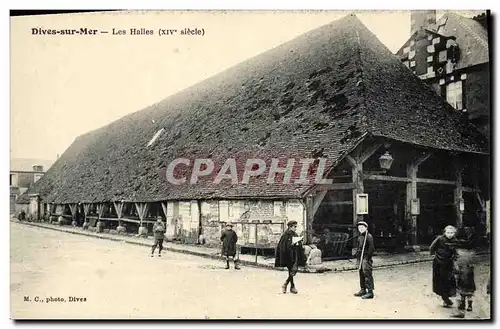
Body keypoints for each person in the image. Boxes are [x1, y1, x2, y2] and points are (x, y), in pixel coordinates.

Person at [429, 225, 458, 307]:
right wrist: (434, 255)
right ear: (445, 232)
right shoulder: (440, 239)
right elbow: (432, 247)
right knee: (440, 281)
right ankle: (445, 299)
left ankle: (446, 298)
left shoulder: (455, 240)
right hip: (439, 263)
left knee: (449, 281)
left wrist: (455, 257)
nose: (450, 234)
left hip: (448, 263)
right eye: (448, 232)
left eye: (451, 233)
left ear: (454, 233)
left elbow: (455, 251)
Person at [275, 220, 305, 294]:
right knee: (292, 270)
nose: (295, 228)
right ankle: (290, 286)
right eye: (294, 227)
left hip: (294, 255)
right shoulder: (285, 235)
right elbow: (282, 246)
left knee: (293, 270)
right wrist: (291, 244)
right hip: (288, 255)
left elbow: (298, 244)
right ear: (290, 227)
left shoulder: (295, 234)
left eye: (296, 227)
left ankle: (288, 285)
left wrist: (299, 241)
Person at [353, 221, 375, 299]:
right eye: (359, 227)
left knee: (367, 274)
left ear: (366, 228)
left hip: (366, 258)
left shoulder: (368, 236)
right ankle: (363, 289)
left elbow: (371, 248)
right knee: (361, 273)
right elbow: (359, 248)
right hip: (361, 258)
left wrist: (367, 258)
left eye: (362, 227)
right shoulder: (360, 237)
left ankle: (370, 292)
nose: (360, 229)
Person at [451, 251, 476, 318]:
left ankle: (462, 306)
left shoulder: (461, 267)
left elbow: (456, 272)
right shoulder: (470, 266)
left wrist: (456, 272)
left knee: (462, 294)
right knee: (469, 295)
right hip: (470, 283)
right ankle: (469, 306)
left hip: (462, 282)